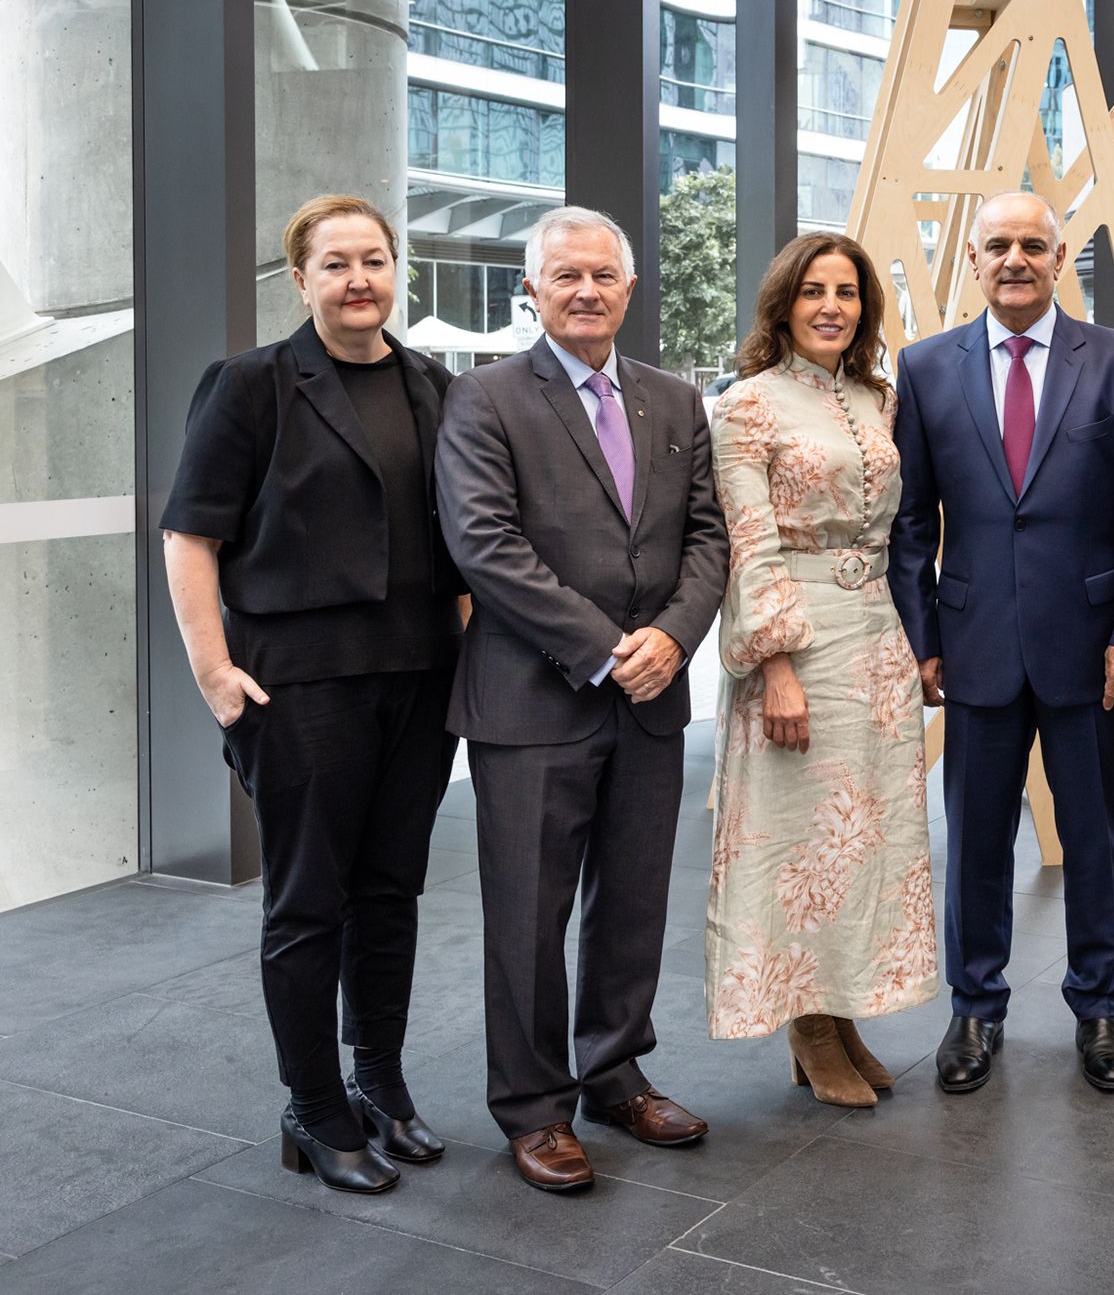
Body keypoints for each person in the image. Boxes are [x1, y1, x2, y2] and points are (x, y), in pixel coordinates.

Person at [160, 195, 463, 1193]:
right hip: (297, 686)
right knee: (307, 903)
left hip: (417, 681)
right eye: (334, 264)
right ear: (300, 280)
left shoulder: (434, 383)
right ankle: (314, 1102)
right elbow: (190, 536)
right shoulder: (251, 385)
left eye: (373, 259)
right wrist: (214, 672)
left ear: (395, 269)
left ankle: (378, 1078)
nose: (358, 279)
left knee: (390, 892)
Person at [435, 206, 729, 1192]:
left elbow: (706, 538)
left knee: (632, 901)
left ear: (630, 287)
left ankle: (614, 1071)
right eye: (564, 276)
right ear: (532, 289)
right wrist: (607, 648)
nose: (586, 290)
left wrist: (673, 637)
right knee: (527, 912)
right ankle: (531, 1106)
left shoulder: (675, 399)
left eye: (603, 274)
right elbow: (486, 546)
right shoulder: (482, 399)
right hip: (534, 701)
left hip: (649, 697)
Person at [889, 191, 1114, 1094]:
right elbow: (908, 524)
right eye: (998, 245)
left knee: (1096, 838)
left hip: (1096, 649)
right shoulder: (927, 366)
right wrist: (922, 639)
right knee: (975, 838)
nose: (1016, 258)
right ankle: (975, 1009)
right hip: (972, 645)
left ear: (1061, 261)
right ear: (973, 261)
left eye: (1034, 245)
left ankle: (1102, 1007)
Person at [706, 232, 938, 1106]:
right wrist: (775, 668)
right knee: (799, 835)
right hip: (797, 635)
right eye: (813, 291)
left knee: (863, 839)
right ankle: (805, 1025)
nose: (831, 306)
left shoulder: (875, 398)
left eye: (846, 292)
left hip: (875, 633)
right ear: (783, 304)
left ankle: (841, 1014)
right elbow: (748, 542)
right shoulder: (747, 406)